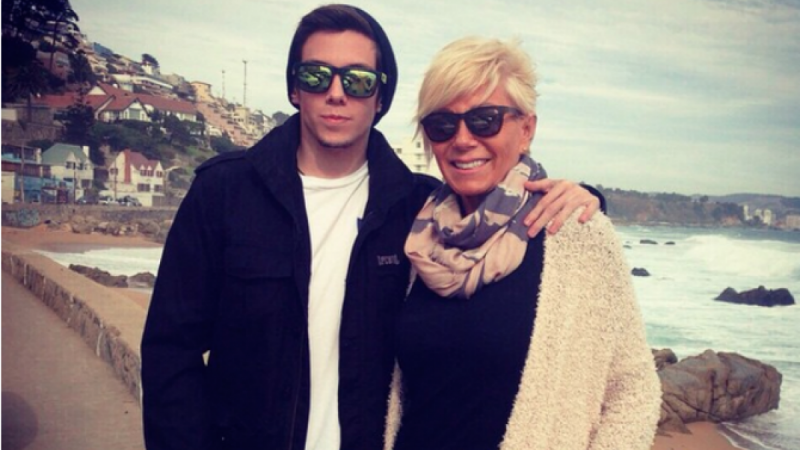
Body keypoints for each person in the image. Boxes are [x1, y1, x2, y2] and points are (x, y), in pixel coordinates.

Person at [140, 5, 602, 450]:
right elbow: (170, 352)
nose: (336, 93)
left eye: (358, 80)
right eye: (316, 76)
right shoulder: (224, 192)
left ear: (380, 97)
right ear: (295, 89)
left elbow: (498, 217)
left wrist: (587, 197)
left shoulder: (420, 210)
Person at [384, 37, 662, 450]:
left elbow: (633, 390)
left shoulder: (574, 233)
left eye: (485, 120)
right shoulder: (420, 238)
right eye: (442, 125)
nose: (462, 139)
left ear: (526, 129)